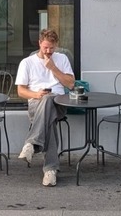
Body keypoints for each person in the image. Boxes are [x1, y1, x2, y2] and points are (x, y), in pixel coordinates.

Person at [15, 29, 75, 187]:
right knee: (49, 118)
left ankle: (32, 143)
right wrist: (36, 94)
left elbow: (70, 84)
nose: (49, 51)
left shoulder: (61, 59)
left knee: (50, 101)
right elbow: (21, 91)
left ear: (56, 46)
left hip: (59, 103)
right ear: (39, 43)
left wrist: (53, 68)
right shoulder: (27, 63)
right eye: (46, 47)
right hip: (36, 104)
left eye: (52, 48)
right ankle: (50, 171)